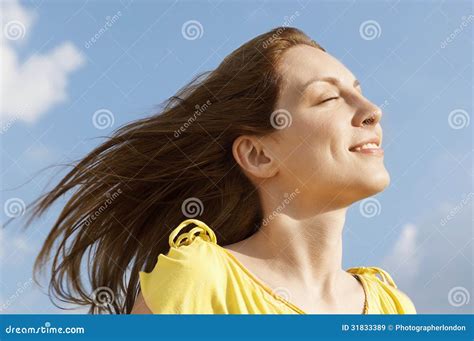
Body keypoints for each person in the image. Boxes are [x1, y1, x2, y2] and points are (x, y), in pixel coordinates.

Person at [26, 26, 416, 314]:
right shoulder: (199, 280)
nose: (371, 111)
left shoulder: (392, 308)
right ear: (258, 155)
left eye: (358, 91)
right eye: (328, 98)